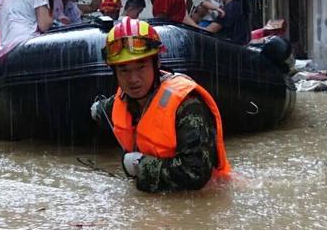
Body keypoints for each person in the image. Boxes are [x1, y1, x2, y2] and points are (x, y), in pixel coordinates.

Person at [90, 18, 230, 193]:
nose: (133, 79)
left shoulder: (187, 104)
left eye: (141, 67)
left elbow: (196, 173)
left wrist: (141, 166)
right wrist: (96, 110)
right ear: (115, 72)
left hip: (205, 196)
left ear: (156, 63)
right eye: (124, 70)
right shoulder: (122, 101)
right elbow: (106, 109)